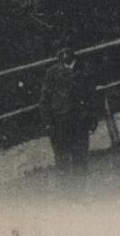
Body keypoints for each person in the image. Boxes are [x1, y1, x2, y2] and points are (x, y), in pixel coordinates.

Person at [39, 48, 97, 178]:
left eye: (67, 49)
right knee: (62, 163)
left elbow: (91, 96)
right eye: (60, 49)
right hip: (60, 123)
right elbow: (44, 100)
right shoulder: (52, 73)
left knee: (81, 161)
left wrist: (92, 119)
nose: (64, 53)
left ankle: (81, 192)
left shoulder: (84, 69)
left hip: (80, 122)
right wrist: (48, 123)